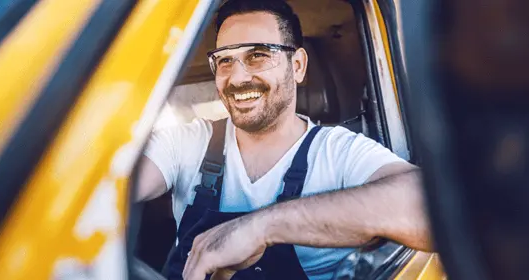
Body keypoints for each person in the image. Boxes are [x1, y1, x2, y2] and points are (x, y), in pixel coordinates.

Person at [133, 0, 432, 279]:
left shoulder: (337, 151)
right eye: (225, 60)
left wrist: (261, 227)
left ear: (298, 65)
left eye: (258, 55)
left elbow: (431, 211)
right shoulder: (186, 142)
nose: (237, 78)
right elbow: (104, 181)